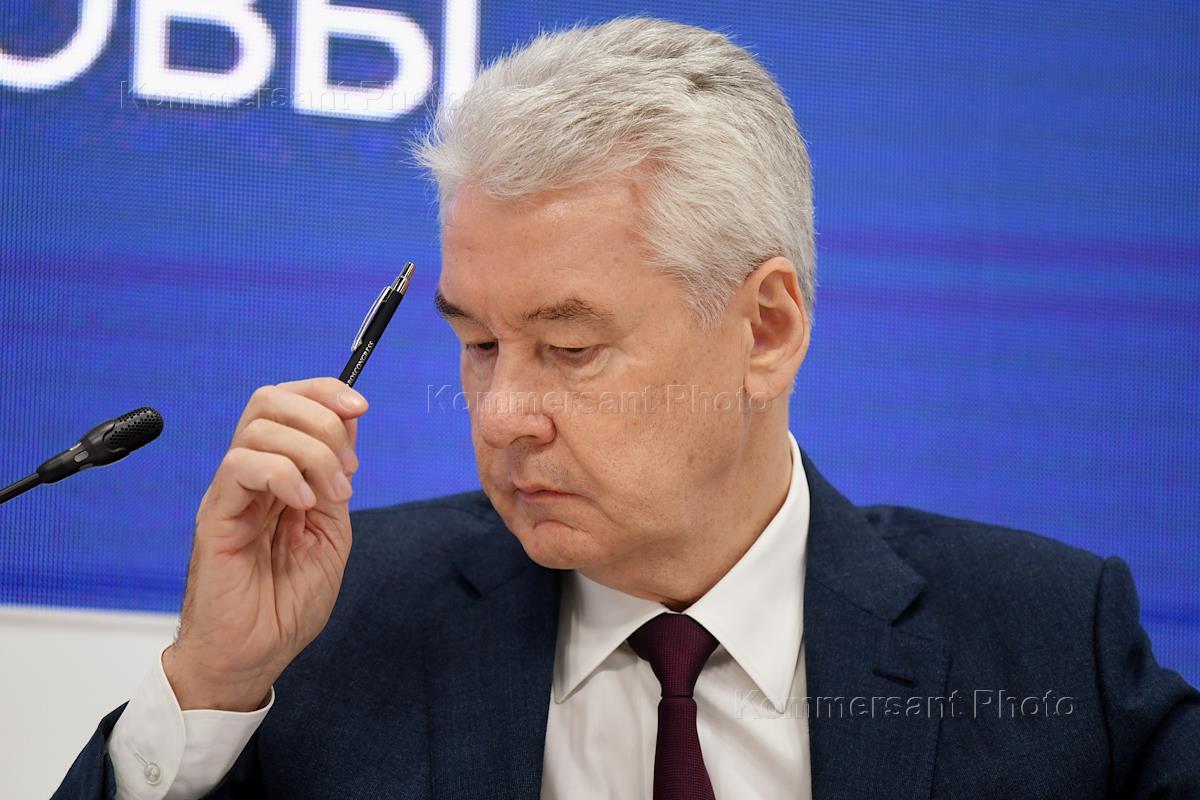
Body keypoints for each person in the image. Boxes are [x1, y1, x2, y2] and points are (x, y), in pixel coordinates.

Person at [55, 16, 1198, 800]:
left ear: (766, 329)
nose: (501, 412)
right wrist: (212, 685)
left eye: (569, 347)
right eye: (478, 344)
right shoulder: (338, 622)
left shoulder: (1049, 638)